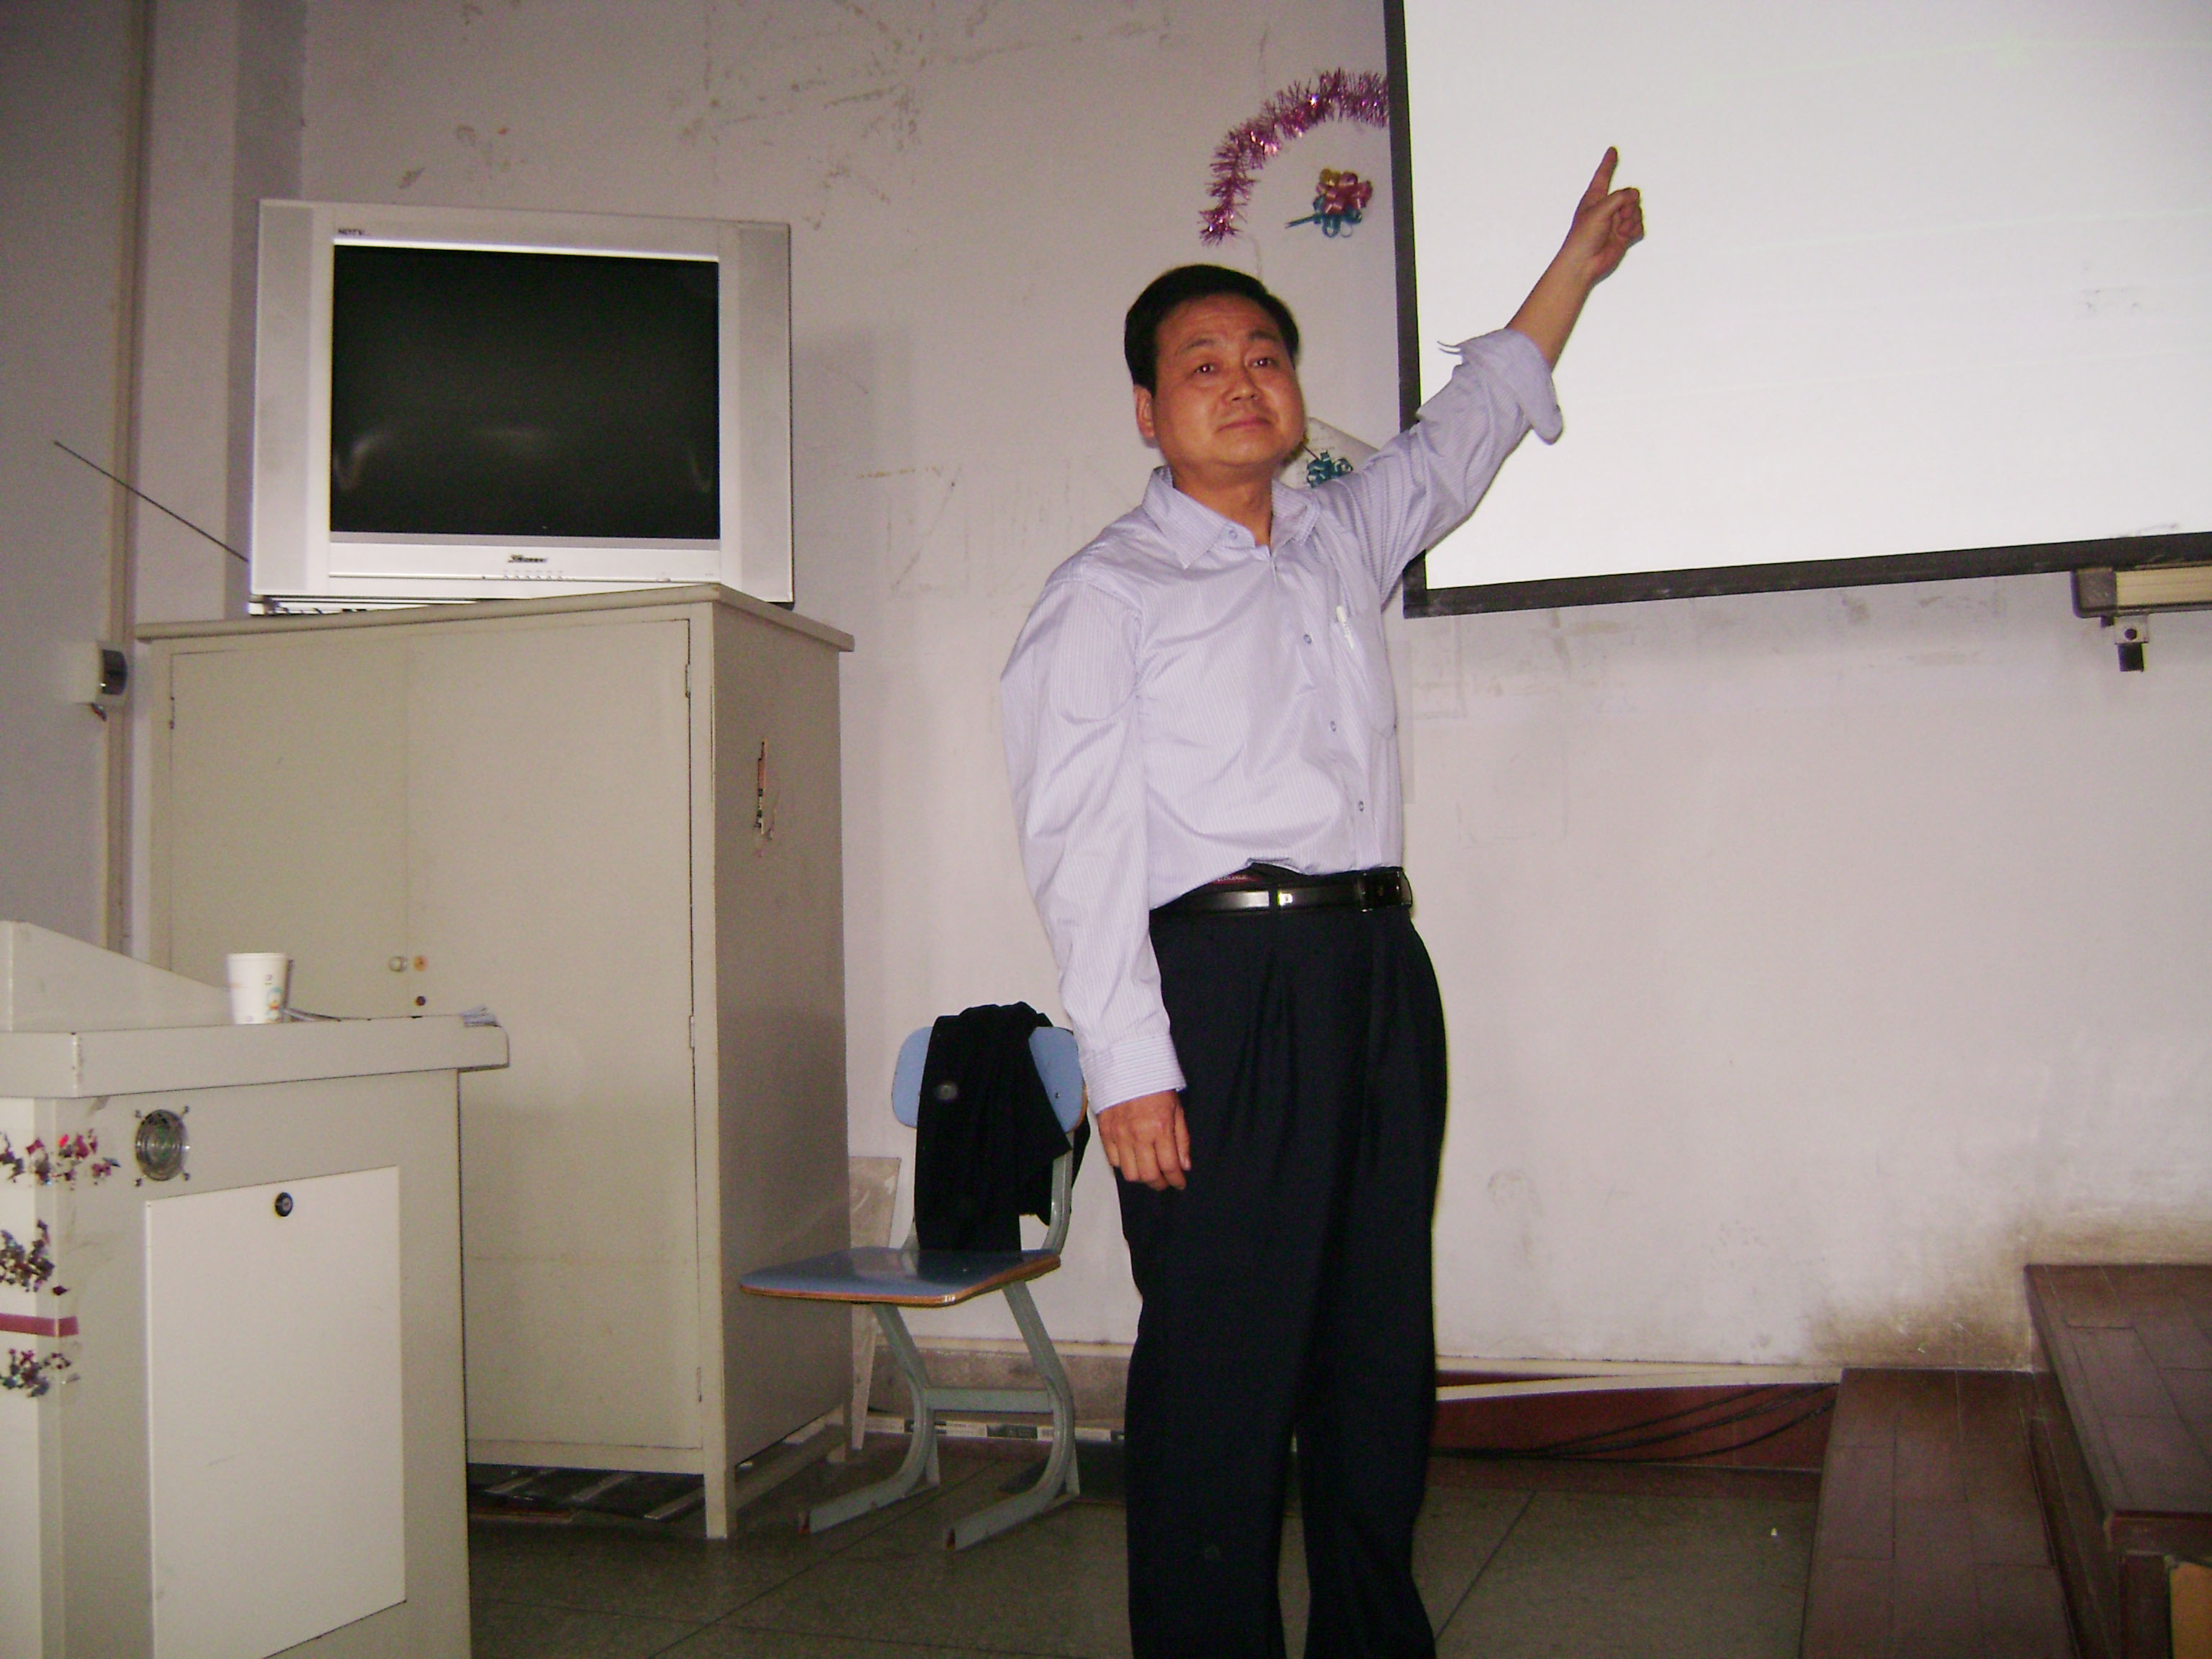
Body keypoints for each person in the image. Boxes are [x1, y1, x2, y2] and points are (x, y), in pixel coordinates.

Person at [1000, 150, 1643, 1659]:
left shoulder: (1339, 540)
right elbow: (1076, 841)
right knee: (1225, 1359)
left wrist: (1575, 269)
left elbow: (1470, 427)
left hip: (1375, 972)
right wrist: (1128, 1065)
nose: (1244, 382)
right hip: (1224, 989)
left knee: (1375, 1343)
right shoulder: (1106, 595)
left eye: (1266, 357)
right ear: (1148, 414)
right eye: (1203, 364)